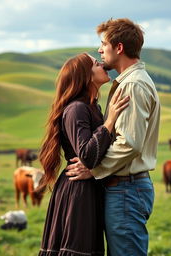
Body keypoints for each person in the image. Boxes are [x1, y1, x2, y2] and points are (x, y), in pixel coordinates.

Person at [66, 18, 160, 256]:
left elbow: (129, 144)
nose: (99, 50)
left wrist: (94, 170)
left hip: (126, 189)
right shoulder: (129, 82)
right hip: (124, 189)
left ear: (118, 47)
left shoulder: (133, 86)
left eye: (103, 43)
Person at [38, 53, 130, 256]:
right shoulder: (77, 109)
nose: (102, 65)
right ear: (86, 76)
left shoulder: (92, 107)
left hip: (88, 187)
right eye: (96, 64)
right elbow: (87, 156)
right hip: (77, 192)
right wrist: (110, 121)